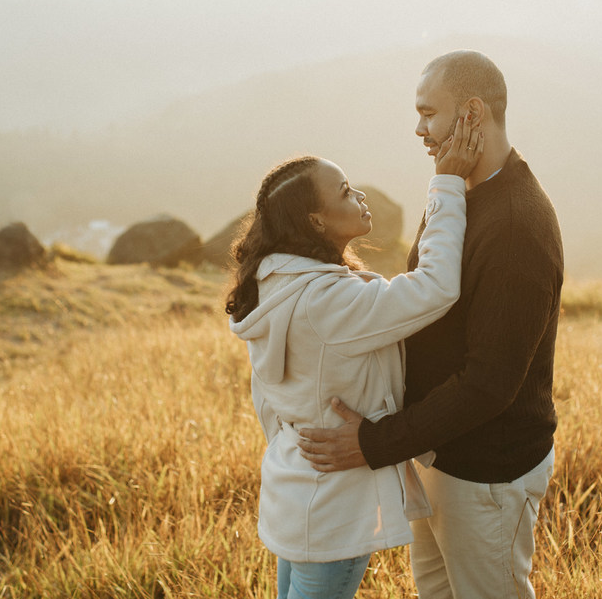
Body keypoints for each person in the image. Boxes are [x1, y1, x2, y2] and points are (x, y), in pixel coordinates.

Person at [297, 50, 564, 599]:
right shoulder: (455, 186)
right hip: (437, 455)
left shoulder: (516, 225)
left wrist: (375, 443)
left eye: (427, 113)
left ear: (472, 113)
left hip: (486, 474)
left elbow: (489, 384)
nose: (418, 129)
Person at [226, 115, 484, 599]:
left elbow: (267, 400)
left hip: (294, 490)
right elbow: (435, 287)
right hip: (334, 507)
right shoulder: (325, 302)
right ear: (316, 221)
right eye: (345, 192)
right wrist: (447, 185)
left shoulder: (274, 286)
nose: (360, 195)